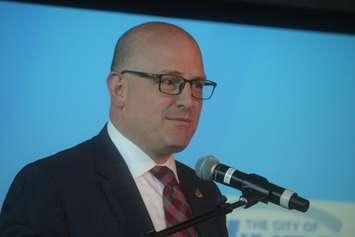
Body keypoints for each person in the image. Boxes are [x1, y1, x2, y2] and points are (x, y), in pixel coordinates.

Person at [0, 22, 228, 237]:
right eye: (169, 81)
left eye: (197, 85)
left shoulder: (206, 192)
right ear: (119, 89)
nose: (188, 101)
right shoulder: (48, 185)